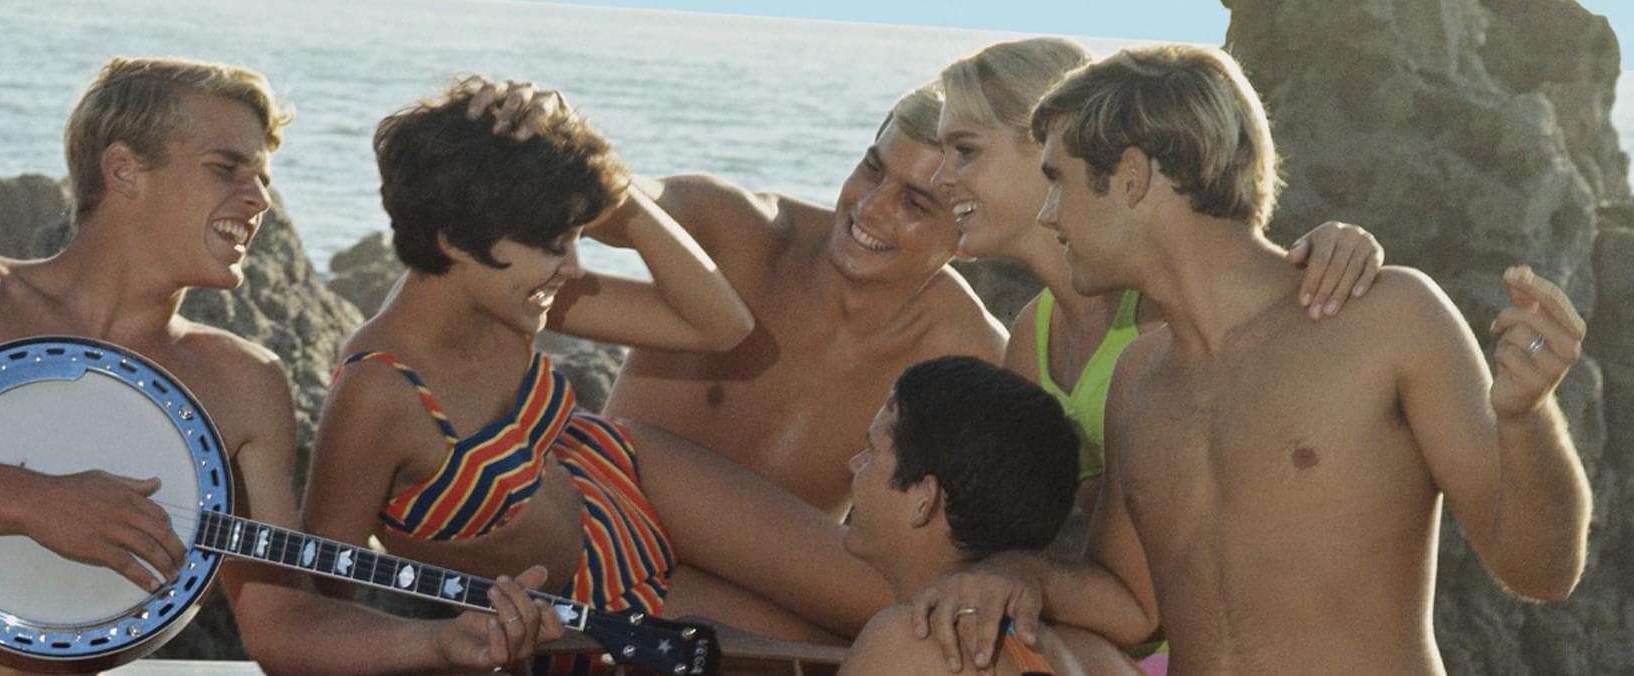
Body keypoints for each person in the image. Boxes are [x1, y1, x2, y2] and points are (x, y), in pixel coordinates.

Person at [0, 57, 557, 675]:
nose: (258, 200)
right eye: (226, 170)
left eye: (262, 178)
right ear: (124, 169)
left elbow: (283, 622)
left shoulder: (244, 382)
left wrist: (440, 643)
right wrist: (34, 502)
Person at [913, 45, 1591, 675]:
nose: (1050, 214)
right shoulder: (1136, 381)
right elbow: (1135, 606)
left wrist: (1526, 418)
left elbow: (1542, 571)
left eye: (1058, 182)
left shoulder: (1386, 319)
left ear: (1131, 178)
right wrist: (1020, 575)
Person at [302, 76, 894, 670]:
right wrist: (447, 641)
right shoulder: (378, 390)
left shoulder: (508, 299)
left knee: (890, 602)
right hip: (590, 605)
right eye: (554, 244)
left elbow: (721, 325)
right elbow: (321, 592)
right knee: (842, 658)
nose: (574, 267)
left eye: (576, 237)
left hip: (634, 478)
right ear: (455, 238)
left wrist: (612, 184)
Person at [601, 77, 1381, 522]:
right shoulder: (738, 230)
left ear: (966, 227)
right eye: (871, 168)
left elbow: (1204, 292)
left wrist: (1321, 253)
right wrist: (565, 147)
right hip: (599, 528)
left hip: (742, 601)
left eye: (918, 202)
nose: (869, 209)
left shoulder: (969, 353)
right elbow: (609, 201)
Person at [932, 37, 1386, 520]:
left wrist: (1343, 249)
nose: (940, 178)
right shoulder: (1043, 336)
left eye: (965, 150)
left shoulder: (1166, 319)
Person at [839, 356, 1141, 676]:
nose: (853, 465)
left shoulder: (908, 641)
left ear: (924, 500)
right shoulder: (1102, 653)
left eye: (870, 452)